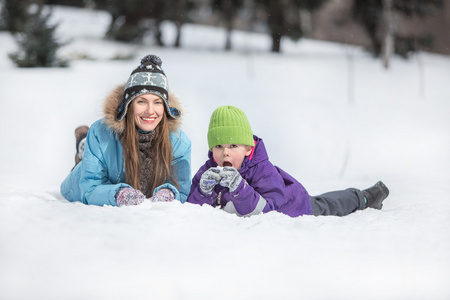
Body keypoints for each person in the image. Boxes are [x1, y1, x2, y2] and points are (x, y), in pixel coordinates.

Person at [187, 105, 389, 217]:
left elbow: (267, 212)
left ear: (248, 148)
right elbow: (192, 211)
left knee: (328, 205)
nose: (225, 154)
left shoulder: (261, 169)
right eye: (218, 147)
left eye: (233, 146)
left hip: (295, 205)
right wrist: (203, 192)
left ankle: (363, 198)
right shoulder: (208, 171)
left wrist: (240, 188)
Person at [61, 55, 191, 206]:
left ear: (166, 107)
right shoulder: (101, 133)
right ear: (129, 105)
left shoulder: (179, 142)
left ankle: (85, 147)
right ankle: (84, 147)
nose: (150, 111)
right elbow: (88, 188)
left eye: (157, 102)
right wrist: (117, 194)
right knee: (83, 165)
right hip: (83, 178)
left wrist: (170, 194)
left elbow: (181, 190)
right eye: (141, 101)